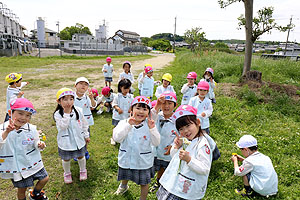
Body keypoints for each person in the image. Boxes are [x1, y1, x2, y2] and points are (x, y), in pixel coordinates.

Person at [156, 104, 216, 200]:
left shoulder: (203, 145)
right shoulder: (186, 139)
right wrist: (176, 146)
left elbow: (205, 169)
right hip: (173, 182)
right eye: (181, 129)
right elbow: (174, 157)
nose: (186, 131)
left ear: (198, 122)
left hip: (185, 188)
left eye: (188, 125)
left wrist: (189, 160)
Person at [0, 98, 49, 200]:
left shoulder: (31, 128)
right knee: (22, 190)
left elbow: (35, 141)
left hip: (33, 162)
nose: (23, 118)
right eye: (20, 113)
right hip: (17, 167)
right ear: (10, 113)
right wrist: (7, 132)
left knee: (45, 178)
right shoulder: (2, 128)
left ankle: (35, 194)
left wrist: (39, 144)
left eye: (28, 115)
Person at [113, 96, 160, 200]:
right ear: (132, 109)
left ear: (149, 112)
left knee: (144, 182)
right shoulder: (123, 123)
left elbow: (156, 142)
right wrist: (128, 125)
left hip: (143, 161)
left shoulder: (150, 125)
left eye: (145, 109)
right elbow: (117, 138)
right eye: (138, 108)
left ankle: (142, 198)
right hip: (127, 158)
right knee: (125, 175)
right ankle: (123, 186)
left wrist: (152, 129)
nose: (141, 111)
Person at [54, 88, 90, 184]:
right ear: (59, 101)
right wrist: (66, 113)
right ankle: (67, 173)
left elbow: (84, 124)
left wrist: (86, 135)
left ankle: (83, 170)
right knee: (66, 158)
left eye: (71, 99)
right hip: (65, 141)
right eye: (65, 99)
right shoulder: (58, 114)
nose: (68, 102)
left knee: (81, 156)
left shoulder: (78, 110)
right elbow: (63, 126)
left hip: (78, 139)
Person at [150, 92, 178, 192]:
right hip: (157, 149)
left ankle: (168, 185)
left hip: (169, 150)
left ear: (175, 105)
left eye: (170, 103)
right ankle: (158, 181)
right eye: (164, 103)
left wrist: (173, 145)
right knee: (160, 167)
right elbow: (150, 117)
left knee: (169, 169)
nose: (166, 106)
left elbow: (181, 134)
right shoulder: (158, 116)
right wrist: (157, 105)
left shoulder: (177, 120)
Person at [74, 77, 96, 159]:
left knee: (86, 137)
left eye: (86, 84)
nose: (83, 86)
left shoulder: (87, 97)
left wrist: (92, 98)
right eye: (81, 83)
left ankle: (84, 150)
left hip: (85, 122)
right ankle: (77, 152)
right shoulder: (71, 97)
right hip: (75, 121)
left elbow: (93, 106)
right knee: (76, 137)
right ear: (75, 85)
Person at [111, 79, 134, 145]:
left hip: (126, 115)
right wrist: (118, 108)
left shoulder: (130, 96)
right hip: (118, 115)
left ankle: (123, 137)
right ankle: (113, 138)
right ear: (120, 87)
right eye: (125, 89)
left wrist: (130, 108)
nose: (126, 90)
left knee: (125, 127)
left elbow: (133, 104)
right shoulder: (117, 96)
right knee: (116, 126)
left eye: (128, 88)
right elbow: (114, 104)